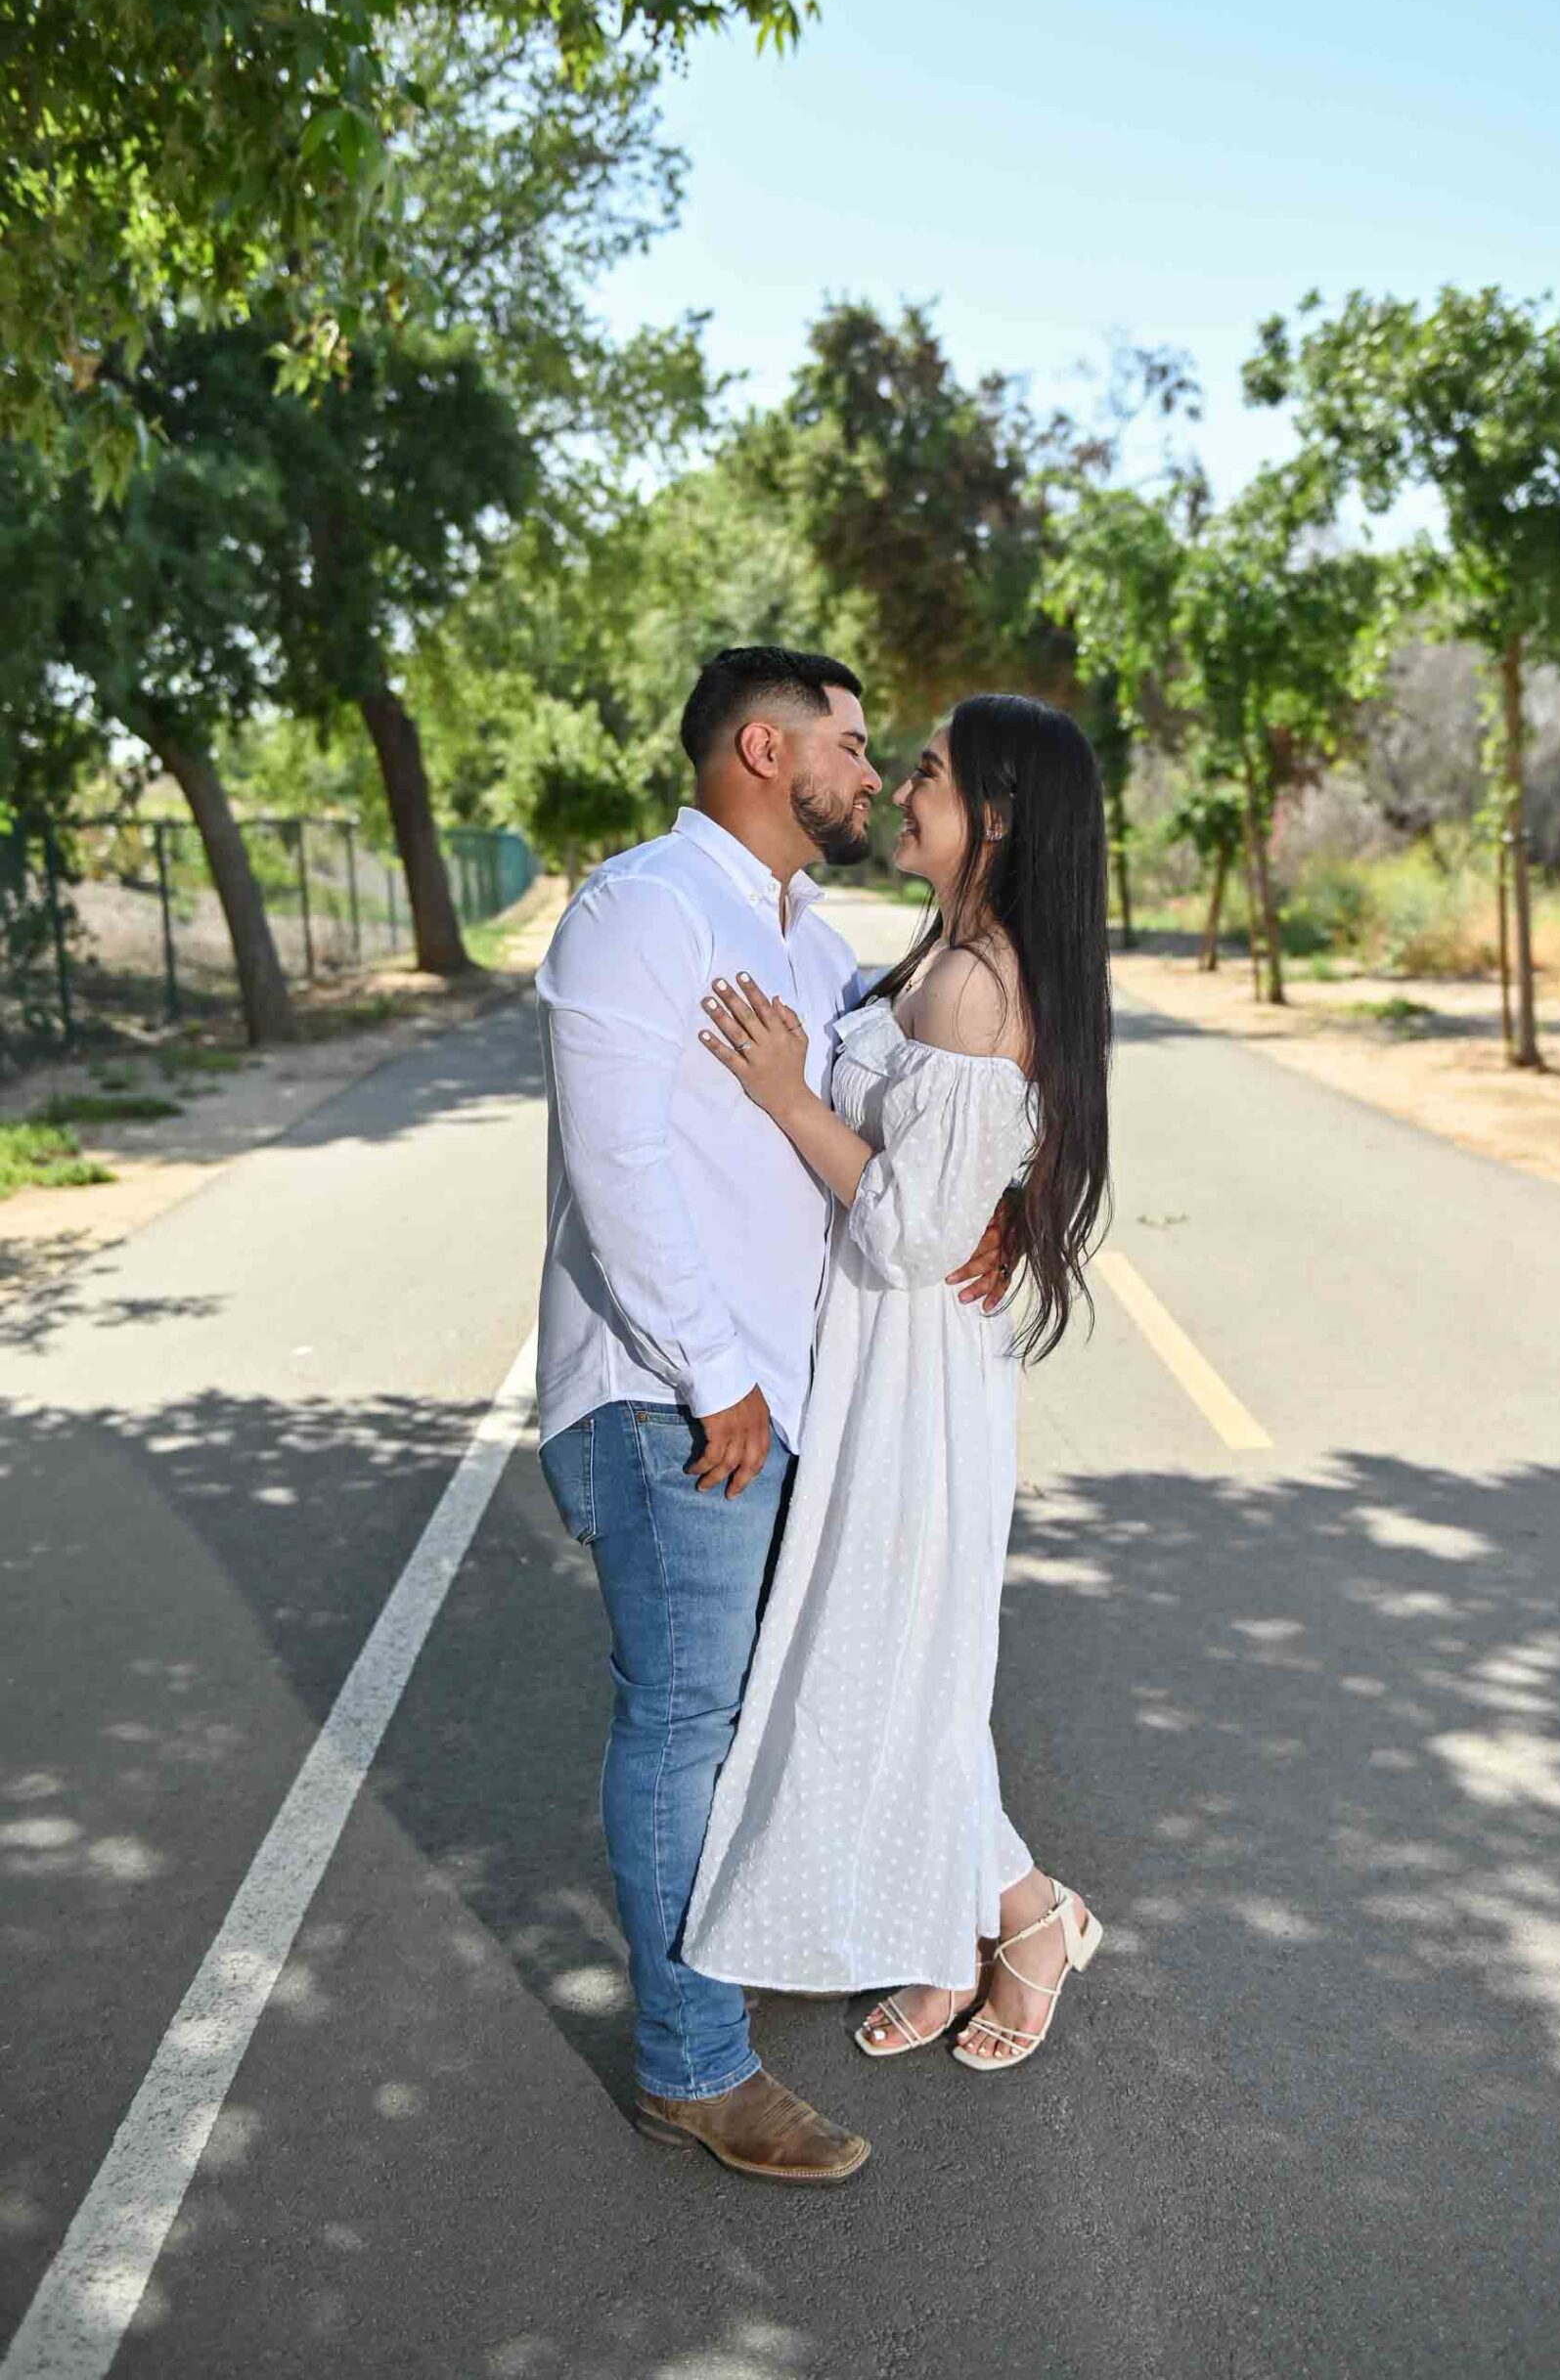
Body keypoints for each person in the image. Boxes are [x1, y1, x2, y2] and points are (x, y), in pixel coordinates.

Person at [534, 646, 1011, 2183]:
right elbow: (616, 1164)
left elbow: (902, 1124)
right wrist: (711, 1372)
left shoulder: (813, 937)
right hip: (676, 1401)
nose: (873, 774)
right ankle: (694, 2066)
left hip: (792, 1394)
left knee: (750, 1711)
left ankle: (745, 1963)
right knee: (685, 1723)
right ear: (763, 749)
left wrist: (992, 1209)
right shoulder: (642, 910)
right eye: (854, 747)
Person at [682, 693, 1113, 2073]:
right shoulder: (943, 954)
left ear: (995, 818)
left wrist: (784, 1093)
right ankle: (951, 1932)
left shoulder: (982, 985)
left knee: (896, 1664)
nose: (902, 790)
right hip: (881, 1355)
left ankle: (1023, 1918)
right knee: (885, 1659)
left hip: (920, 1378)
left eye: (927, 772)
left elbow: (915, 1232)